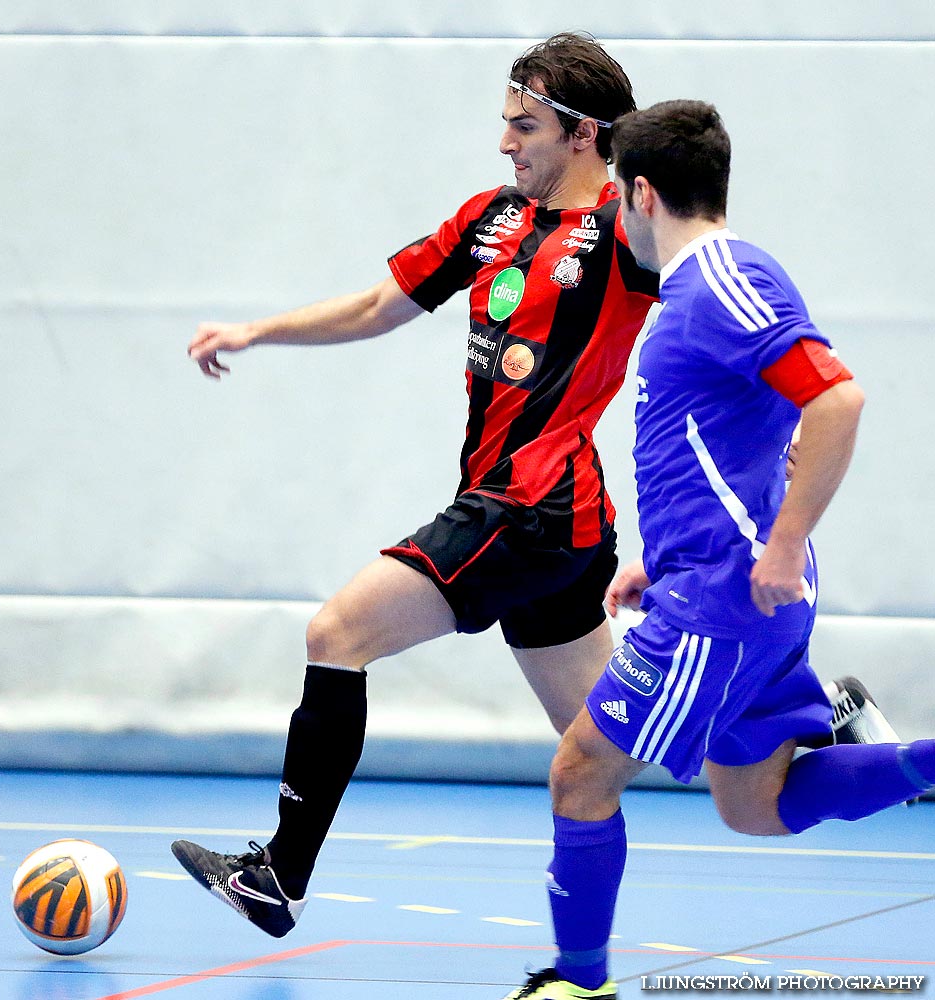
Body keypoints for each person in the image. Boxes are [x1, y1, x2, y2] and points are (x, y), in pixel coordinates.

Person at [170, 36, 899, 940]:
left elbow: (725, 305)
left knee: (336, 634)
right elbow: (375, 307)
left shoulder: (627, 232)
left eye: (524, 126)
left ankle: (279, 875)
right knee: (610, 760)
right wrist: (255, 331)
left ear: (587, 135)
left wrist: (786, 452)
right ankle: (824, 735)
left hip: (526, 507)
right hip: (564, 528)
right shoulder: (489, 219)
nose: (506, 144)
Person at [501, 100, 932, 1000]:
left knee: (581, 770)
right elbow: (730, 440)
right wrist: (659, 556)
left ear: (643, 193)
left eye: (617, 197)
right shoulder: (713, 287)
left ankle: (575, 985)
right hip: (715, 583)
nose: (616, 216)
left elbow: (836, 402)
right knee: (756, 805)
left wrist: (782, 546)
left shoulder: (718, 284)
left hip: (727, 601)